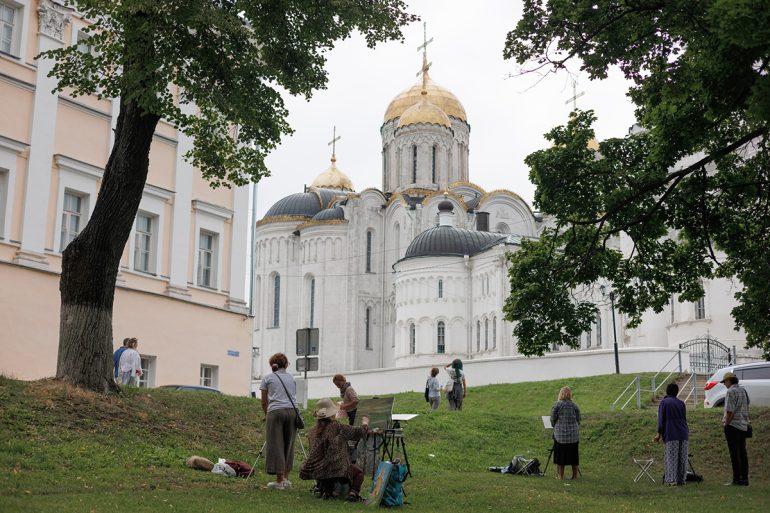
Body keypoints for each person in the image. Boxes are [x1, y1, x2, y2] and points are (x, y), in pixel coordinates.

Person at [300, 398, 370, 501]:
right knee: (358, 472)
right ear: (332, 413)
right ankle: (353, 493)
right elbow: (358, 432)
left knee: (329, 465)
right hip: (336, 469)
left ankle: (327, 491)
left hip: (316, 469)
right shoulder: (336, 426)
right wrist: (365, 423)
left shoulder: (312, 431)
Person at [259, 353, 299, 490]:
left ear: (272, 365)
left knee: (276, 444)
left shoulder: (268, 378)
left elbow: (264, 401)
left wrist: (267, 414)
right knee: (289, 444)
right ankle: (286, 479)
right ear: (286, 364)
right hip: (292, 412)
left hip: (276, 412)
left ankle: (279, 480)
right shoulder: (291, 378)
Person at [654, 383, 689, 485]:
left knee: (672, 457)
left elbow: (661, 420)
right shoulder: (681, 403)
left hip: (672, 433)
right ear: (677, 392)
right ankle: (682, 480)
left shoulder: (664, 403)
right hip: (683, 433)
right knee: (682, 458)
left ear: (667, 391)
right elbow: (684, 419)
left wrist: (659, 434)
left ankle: (672, 480)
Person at [721, 371, 750, 486]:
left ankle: (736, 479)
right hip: (743, 425)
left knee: (734, 453)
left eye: (724, 382)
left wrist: (726, 424)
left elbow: (729, 411)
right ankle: (745, 479)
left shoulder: (730, 391)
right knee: (743, 452)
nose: (724, 384)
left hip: (732, 426)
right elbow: (747, 405)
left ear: (729, 381)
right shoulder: (743, 390)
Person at [550, 386, 581, 480]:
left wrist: (554, 425)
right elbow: (578, 419)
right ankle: (575, 476)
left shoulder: (557, 405)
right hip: (573, 436)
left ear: (560, 394)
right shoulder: (574, 405)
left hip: (560, 436)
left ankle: (560, 476)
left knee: (560, 456)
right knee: (574, 456)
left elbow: (552, 419)